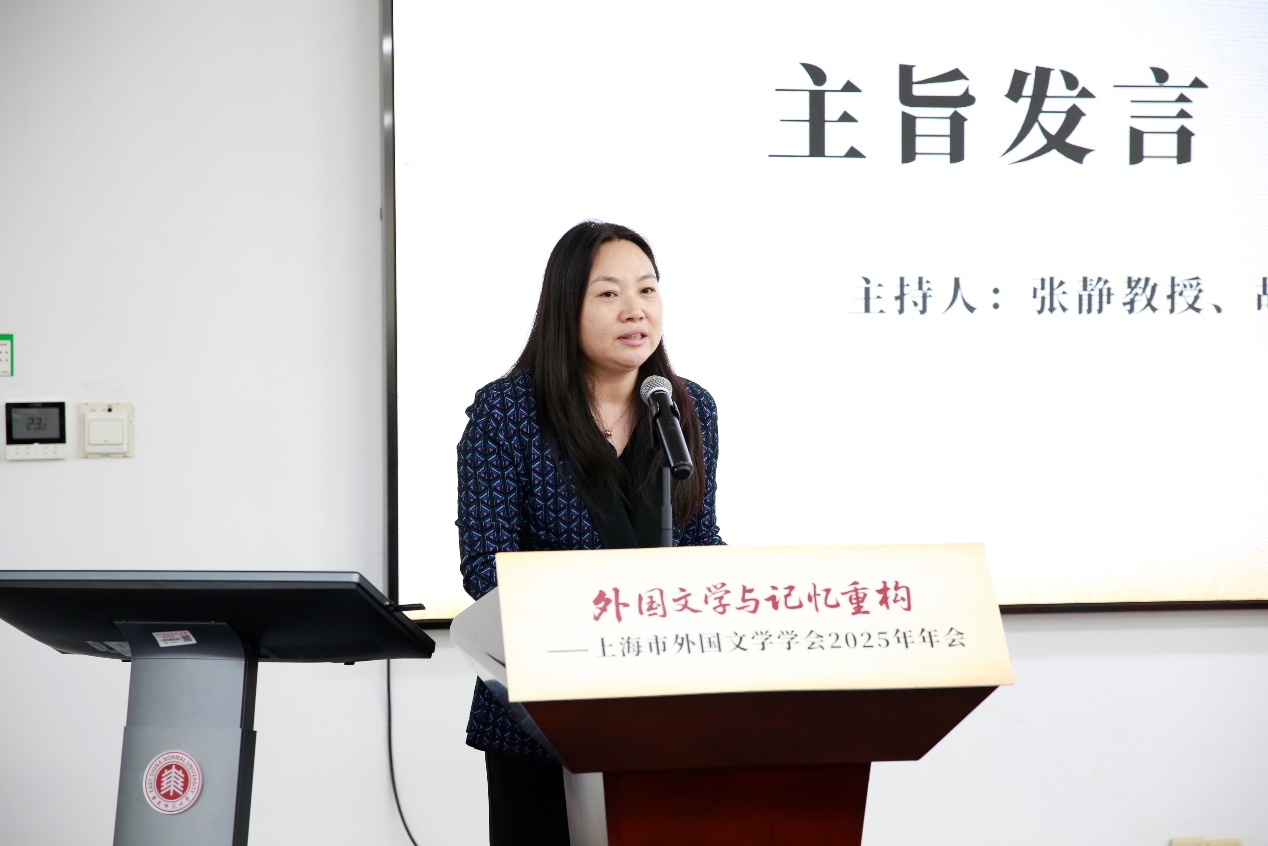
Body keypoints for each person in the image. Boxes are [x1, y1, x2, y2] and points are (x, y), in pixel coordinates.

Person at [456, 220, 724, 845]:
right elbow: (485, 568)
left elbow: (701, 539)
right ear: (565, 307)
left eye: (648, 289)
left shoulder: (687, 408)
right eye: (608, 293)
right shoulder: (508, 412)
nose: (635, 309)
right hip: (541, 711)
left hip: (666, 708)